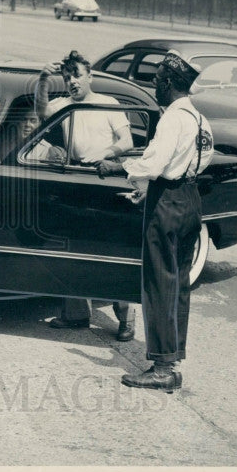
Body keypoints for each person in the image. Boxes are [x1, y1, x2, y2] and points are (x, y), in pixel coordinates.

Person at [98, 50, 213, 391]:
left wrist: (117, 167)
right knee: (178, 282)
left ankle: (162, 367)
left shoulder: (172, 119)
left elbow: (155, 163)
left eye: (158, 81)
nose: (155, 86)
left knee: (158, 282)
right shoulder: (198, 119)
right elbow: (199, 159)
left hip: (168, 202)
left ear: (169, 83)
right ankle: (172, 357)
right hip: (190, 199)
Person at [35, 52, 135, 338]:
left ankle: (127, 320)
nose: (72, 82)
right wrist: (43, 79)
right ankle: (76, 315)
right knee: (74, 248)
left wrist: (103, 154)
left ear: (90, 76)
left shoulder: (108, 104)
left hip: (105, 179)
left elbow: (126, 141)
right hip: (77, 178)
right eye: (67, 78)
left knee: (112, 253)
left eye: (77, 75)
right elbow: (41, 112)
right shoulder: (64, 105)